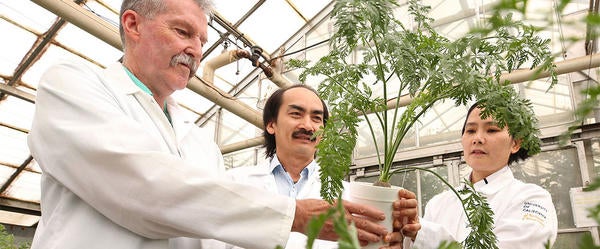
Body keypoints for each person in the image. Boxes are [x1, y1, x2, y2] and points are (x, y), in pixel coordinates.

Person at [26, 0, 399, 248]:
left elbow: (214, 234)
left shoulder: (200, 142)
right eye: (183, 32)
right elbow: (143, 187)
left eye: (202, 40)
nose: (196, 50)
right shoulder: (72, 87)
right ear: (133, 24)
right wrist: (294, 215)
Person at [402, 103, 558, 248]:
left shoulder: (532, 200)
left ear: (515, 143)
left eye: (492, 130)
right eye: (470, 131)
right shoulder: (438, 204)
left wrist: (423, 234)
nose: (477, 139)